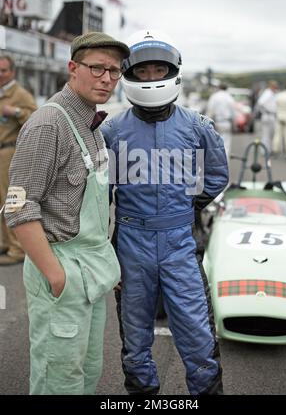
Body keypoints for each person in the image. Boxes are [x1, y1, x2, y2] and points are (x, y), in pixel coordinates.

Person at [101, 29, 229, 395]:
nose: (152, 78)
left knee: (198, 336)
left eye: (159, 70)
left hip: (180, 243)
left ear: (172, 72)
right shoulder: (111, 131)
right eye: (143, 72)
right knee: (135, 339)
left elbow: (217, 175)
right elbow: (100, 192)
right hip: (130, 243)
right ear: (130, 76)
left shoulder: (197, 126)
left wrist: (188, 207)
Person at [4, 32, 130, 394]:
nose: (107, 78)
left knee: (86, 373)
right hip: (62, 270)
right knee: (57, 379)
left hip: (90, 271)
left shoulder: (91, 125)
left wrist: (102, 261)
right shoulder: (48, 124)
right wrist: (56, 276)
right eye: (97, 68)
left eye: (115, 71)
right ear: (72, 68)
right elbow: (19, 207)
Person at [0, 55, 36, 265]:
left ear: (12, 72)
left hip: (10, 153)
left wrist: (15, 111)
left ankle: (17, 248)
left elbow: (35, 119)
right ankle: (4, 243)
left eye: (4, 70)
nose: (0, 74)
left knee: (9, 202)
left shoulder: (19, 94)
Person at [206, 83, 236, 158]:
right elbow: (233, 113)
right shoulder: (229, 97)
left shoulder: (214, 97)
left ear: (219, 88)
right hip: (226, 122)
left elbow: (209, 110)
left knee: (215, 144)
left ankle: (216, 162)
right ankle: (225, 165)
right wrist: (234, 124)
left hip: (216, 122)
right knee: (226, 144)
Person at [256, 80, 278, 154]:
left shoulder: (271, 93)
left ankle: (267, 149)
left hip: (269, 115)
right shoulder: (268, 93)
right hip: (268, 116)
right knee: (266, 135)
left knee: (269, 135)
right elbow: (260, 102)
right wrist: (266, 110)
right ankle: (265, 150)